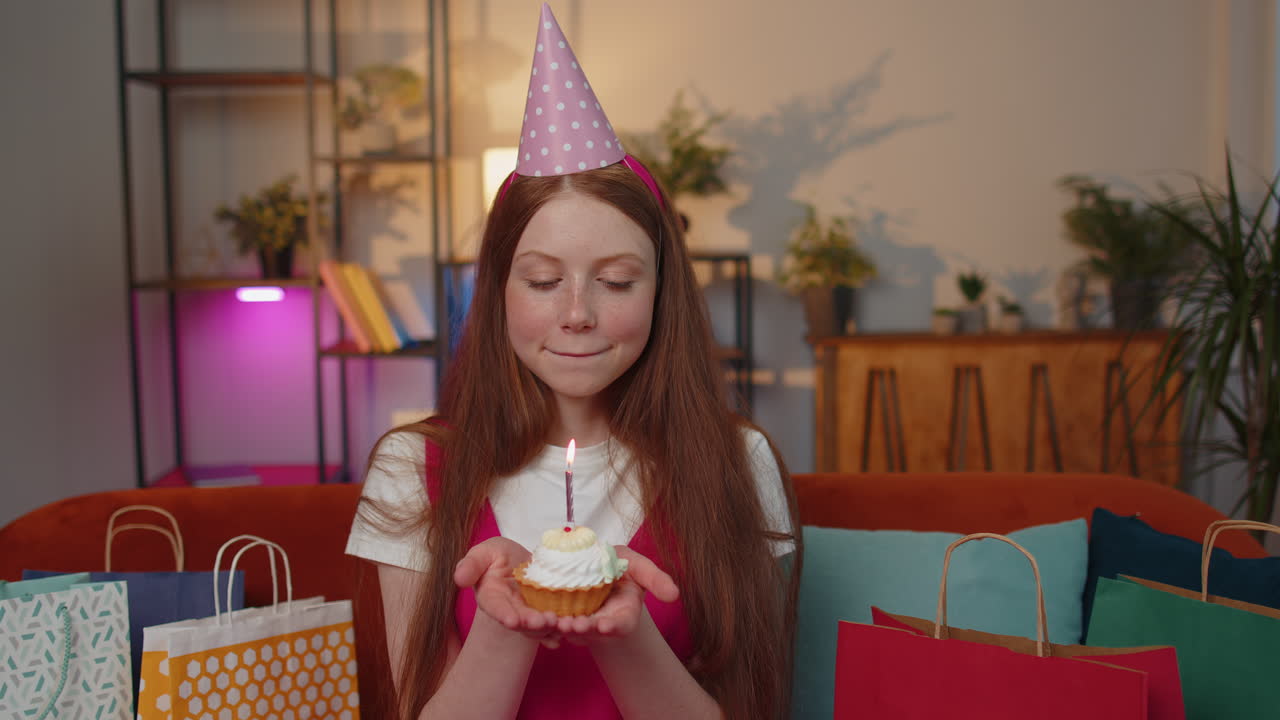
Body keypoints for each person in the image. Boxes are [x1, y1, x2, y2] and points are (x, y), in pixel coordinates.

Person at [345, 5, 801, 718]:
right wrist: (506, 626)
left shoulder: (738, 463)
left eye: (617, 281)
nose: (578, 311)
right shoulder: (413, 470)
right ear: (497, 289)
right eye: (543, 280)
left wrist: (624, 634)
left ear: (662, 292)